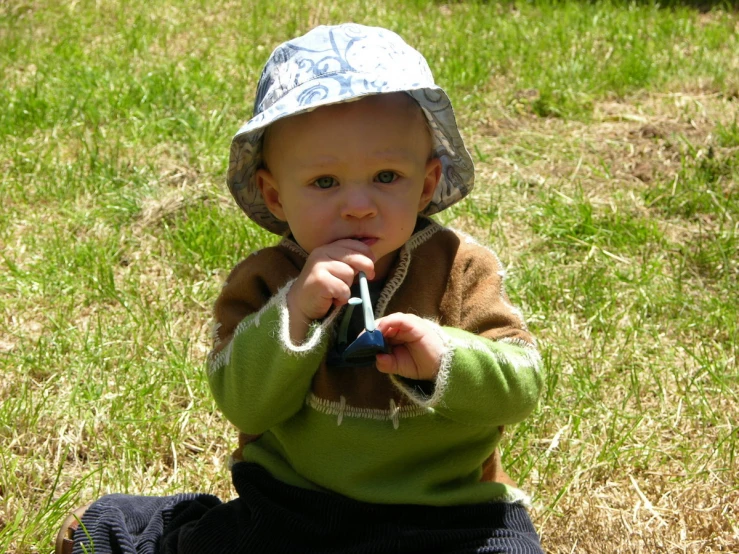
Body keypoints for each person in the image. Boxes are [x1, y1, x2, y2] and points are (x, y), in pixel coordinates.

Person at [56, 23, 545, 554]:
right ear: (276, 194)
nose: (358, 205)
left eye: (386, 176)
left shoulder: (459, 268)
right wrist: (292, 315)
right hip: (297, 508)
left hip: (453, 514)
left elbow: (522, 387)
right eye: (325, 182)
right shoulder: (268, 280)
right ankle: (146, 528)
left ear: (426, 183)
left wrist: (445, 355)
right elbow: (245, 406)